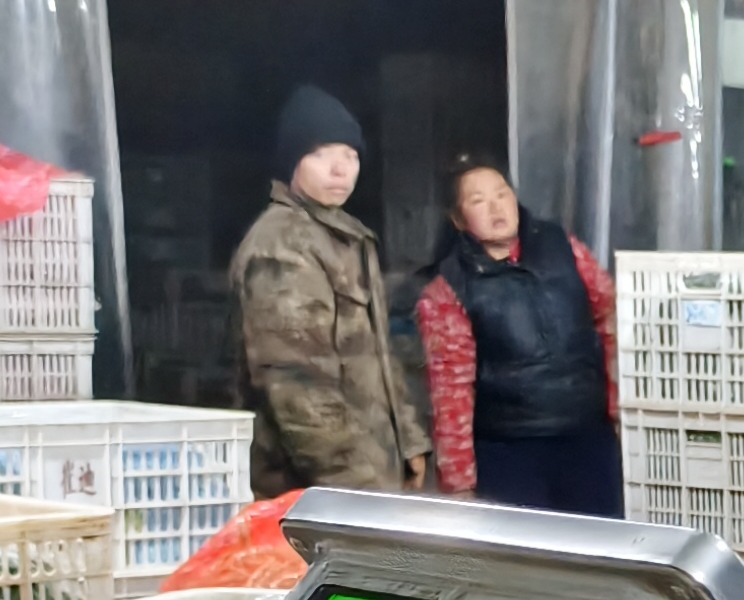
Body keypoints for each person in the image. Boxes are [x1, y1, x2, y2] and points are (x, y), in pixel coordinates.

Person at [234, 83, 428, 497]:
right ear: (292, 161)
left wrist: (408, 441)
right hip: (318, 492)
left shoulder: (344, 237)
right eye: (321, 154)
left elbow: (379, 354)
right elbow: (296, 385)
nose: (340, 169)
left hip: (371, 475)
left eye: (350, 155)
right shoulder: (284, 244)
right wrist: (355, 485)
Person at [416, 159, 621, 516]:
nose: (495, 207)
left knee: (601, 543)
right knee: (526, 548)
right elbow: (450, 391)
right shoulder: (447, 288)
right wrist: (459, 483)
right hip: (509, 453)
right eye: (478, 200)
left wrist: (618, 408)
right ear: (458, 220)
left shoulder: (562, 247)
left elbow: (611, 317)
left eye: (502, 194)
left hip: (588, 437)